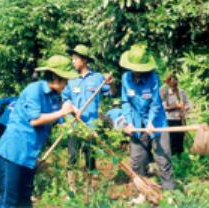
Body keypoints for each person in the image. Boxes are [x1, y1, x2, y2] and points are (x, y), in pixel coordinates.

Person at [0, 54, 78, 207]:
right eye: (65, 79)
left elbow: (56, 118)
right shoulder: (34, 90)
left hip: (29, 155)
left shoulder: (54, 96)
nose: (67, 84)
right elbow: (35, 120)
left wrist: (72, 114)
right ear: (55, 76)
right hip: (13, 152)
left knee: (25, 199)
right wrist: (62, 112)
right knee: (10, 200)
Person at [119, 42, 175, 203]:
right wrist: (129, 123)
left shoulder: (153, 78)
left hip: (156, 123)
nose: (137, 72)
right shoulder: (126, 79)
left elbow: (156, 103)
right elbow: (126, 102)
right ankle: (141, 194)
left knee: (163, 159)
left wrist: (151, 122)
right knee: (137, 161)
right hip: (136, 124)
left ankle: (170, 195)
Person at [62, 44, 113, 191]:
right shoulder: (70, 79)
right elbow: (65, 98)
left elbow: (111, 92)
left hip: (91, 125)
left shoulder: (98, 78)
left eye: (75, 59)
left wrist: (112, 83)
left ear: (84, 60)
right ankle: (72, 187)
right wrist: (71, 108)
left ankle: (91, 187)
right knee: (72, 157)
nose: (73, 62)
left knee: (90, 157)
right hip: (74, 125)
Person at [160, 74, 191, 156]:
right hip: (170, 120)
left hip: (181, 119)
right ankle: (172, 156)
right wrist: (176, 106)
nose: (174, 85)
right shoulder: (165, 93)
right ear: (169, 83)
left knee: (180, 138)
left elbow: (188, 104)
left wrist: (184, 109)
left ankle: (180, 156)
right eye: (172, 83)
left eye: (176, 82)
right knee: (172, 139)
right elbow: (165, 108)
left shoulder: (182, 92)